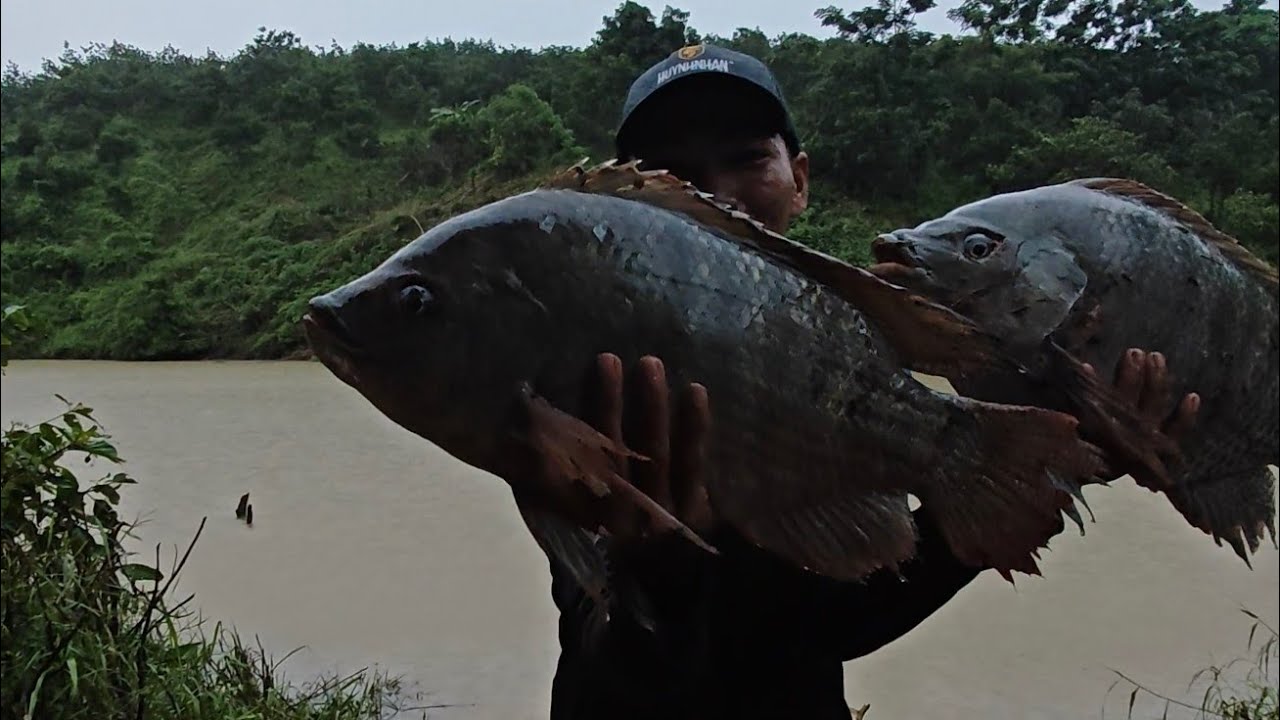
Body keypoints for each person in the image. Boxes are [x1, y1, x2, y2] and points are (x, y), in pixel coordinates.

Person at [534, 44, 1201, 720]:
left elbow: (835, 621)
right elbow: (606, 649)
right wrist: (656, 569)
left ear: (799, 180)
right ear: (625, 199)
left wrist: (1055, 464)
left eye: (747, 158)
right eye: (672, 173)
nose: (714, 192)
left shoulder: (851, 339)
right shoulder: (583, 356)